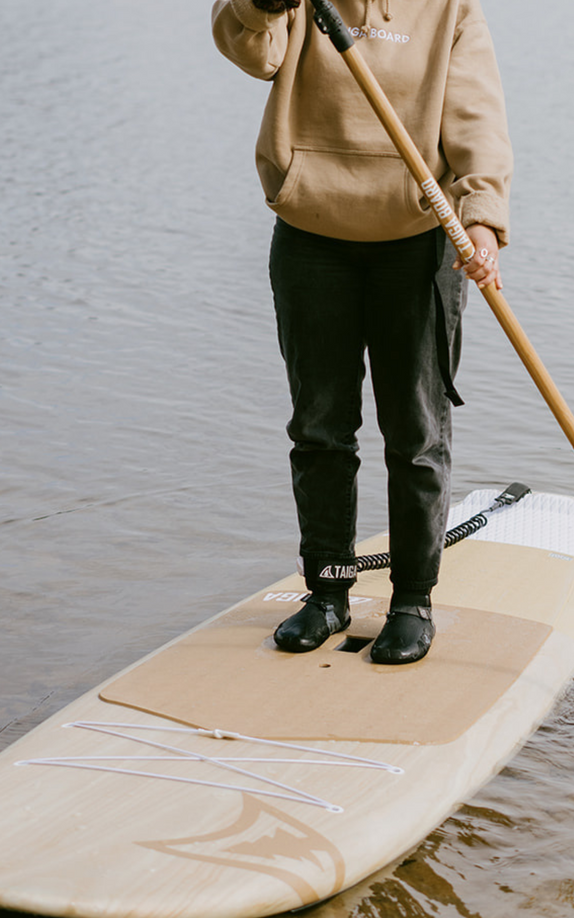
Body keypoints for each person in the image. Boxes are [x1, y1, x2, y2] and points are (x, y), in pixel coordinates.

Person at [212, 0, 512, 663]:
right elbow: (251, 50)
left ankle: (411, 601)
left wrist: (483, 217)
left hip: (417, 242)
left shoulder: (450, 9)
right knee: (320, 428)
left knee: (414, 432)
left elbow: (478, 118)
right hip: (311, 235)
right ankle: (329, 592)